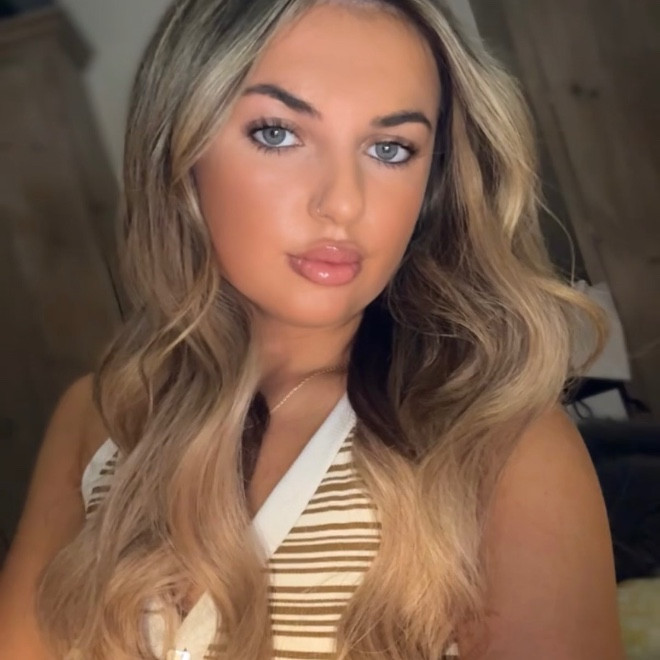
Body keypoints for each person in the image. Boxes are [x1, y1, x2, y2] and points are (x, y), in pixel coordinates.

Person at [0, 0, 625, 658]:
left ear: (432, 185)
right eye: (278, 133)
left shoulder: (501, 446)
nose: (344, 202)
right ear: (180, 153)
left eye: (391, 149)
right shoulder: (99, 418)